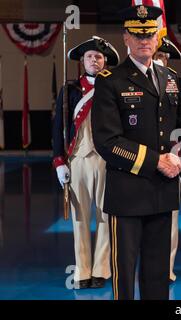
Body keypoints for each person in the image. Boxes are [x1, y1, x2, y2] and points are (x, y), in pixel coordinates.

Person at [91, 5, 181, 300]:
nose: (144, 39)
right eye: (137, 34)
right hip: (128, 193)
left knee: (158, 272)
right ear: (126, 38)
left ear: (158, 36)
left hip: (163, 191)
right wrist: (156, 160)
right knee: (125, 273)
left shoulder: (169, 77)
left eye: (149, 33)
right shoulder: (110, 80)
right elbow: (107, 141)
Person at [52, 36, 120, 289]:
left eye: (99, 57)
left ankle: (101, 268)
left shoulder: (113, 87)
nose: (94, 60)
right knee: (80, 218)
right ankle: (82, 270)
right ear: (82, 61)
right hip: (77, 159)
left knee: (105, 215)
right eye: (90, 56)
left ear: (105, 62)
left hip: (105, 160)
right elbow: (58, 127)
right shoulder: (69, 91)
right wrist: (59, 161)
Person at [153, 36, 181, 284]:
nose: (160, 60)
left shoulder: (177, 83)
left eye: (164, 57)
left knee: (170, 221)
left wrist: (179, 154)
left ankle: (167, 268)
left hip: (170, 161)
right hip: (143, 160)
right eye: (157, 56)